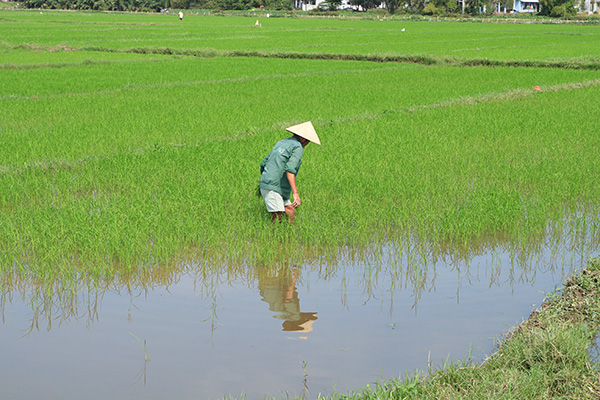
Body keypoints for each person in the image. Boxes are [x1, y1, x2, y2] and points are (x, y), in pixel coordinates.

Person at [259, 121, 321, 223]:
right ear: (304, 138)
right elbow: (290, 169)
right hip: (273, 186)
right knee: (277, 219)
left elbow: (264, 163)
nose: (308, 143)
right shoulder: (298, 147)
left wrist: (266, 179)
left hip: (270, 184)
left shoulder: (281, 142)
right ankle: (271, 237)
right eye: (308, 141)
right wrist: (295, 193)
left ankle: (293, 235)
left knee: (290, 211)